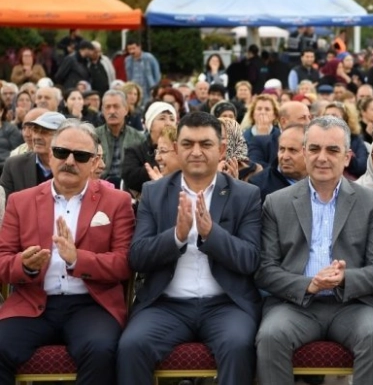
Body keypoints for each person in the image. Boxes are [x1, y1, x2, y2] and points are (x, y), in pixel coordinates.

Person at [117, 112, 263, 385]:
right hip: (165, 305)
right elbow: (137, 257)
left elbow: (251, 259)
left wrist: (211, 234)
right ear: (176, 149)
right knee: (131, 346)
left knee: (238, 347)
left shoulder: (245, 195)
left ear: (221, 150)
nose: (196, 151)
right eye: (188, 144)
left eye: (205, 144)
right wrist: (176, 237)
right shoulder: (154, 192)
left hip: (226, 305)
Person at [254, 117, 373, 385]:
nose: (322, 158)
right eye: (314, 149)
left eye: (333, 150)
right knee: (270, 336)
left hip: (352, 305)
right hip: (294, 304)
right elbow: (265, 271)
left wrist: (344, 279)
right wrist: (310, 285)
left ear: (348, 157)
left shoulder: (370, 203)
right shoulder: (276, 203)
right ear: (304, 153)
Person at [0, 119, 135, 385]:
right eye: (62, 152)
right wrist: (24, 265)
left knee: (100, 351)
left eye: (81, 156)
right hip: (33, 302)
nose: (69, 161)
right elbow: (3, 261)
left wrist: (77, 259)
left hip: (92, 304)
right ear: (50, 155)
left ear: (95, 162)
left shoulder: (117, 202)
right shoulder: (21, 201)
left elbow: (124, 263)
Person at [0, 111, 66, 195]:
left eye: (45, 132)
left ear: (62, 137)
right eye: (35, 130)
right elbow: (6, 205)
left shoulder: (72, 165)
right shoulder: (14, 166)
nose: (37, 137)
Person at [121, 102, 177, 196]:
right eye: (162, 118)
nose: (168, 123)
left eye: (172, 119)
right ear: (150, 125)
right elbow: (130, 178)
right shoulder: (135, 151)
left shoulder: (181, 148)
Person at [95, 91, 146, 189]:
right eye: (108, 107)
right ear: (102, 110)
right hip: (98, 187)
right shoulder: (93, 136)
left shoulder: (139, 138)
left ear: (126, 109)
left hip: (129, 189)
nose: (112, 111)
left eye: (116, 106)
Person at [248, 124, 308, 203]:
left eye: (292, 150)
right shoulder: (258, 187)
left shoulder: (323, 180)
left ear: (309, 152)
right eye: (282, 149)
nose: (285, 157)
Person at [125, 40, 161, 106]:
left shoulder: (149, 58)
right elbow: (128, 76)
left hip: (148, 90)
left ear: (139, 47)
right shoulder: (128, 60)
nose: (131, 51)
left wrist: (155, 88)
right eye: (129, 49)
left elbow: (156, 73)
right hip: (135, 91)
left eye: (133, 48)